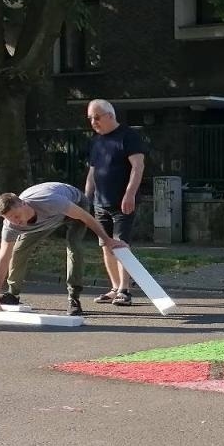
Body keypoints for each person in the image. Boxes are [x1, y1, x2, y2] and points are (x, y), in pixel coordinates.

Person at [0, 183, 126, 316]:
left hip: (75, 204)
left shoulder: (50, 201)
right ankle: (13, 294)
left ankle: (74, 298)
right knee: (18, 250)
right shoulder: (11, 226)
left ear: (24, 204)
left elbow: (86, 217)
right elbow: (3, 259)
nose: (16, 222)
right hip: (49, 219)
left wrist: (107, 240)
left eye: (16, 216)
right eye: (10, 219)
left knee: (74, 246)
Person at [82, 99, 146, 306]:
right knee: (106, 246)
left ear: (110, 115)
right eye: (90, 118)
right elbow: (92, 172)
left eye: (97, 117)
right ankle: (114, 287)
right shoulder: (96, 141)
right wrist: (86, 199)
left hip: (122, 203)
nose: (93, 122)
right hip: (100, 203)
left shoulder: (128, 136)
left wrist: (130, 194)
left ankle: (124, 290)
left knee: (121, 245)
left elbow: (138, 166)